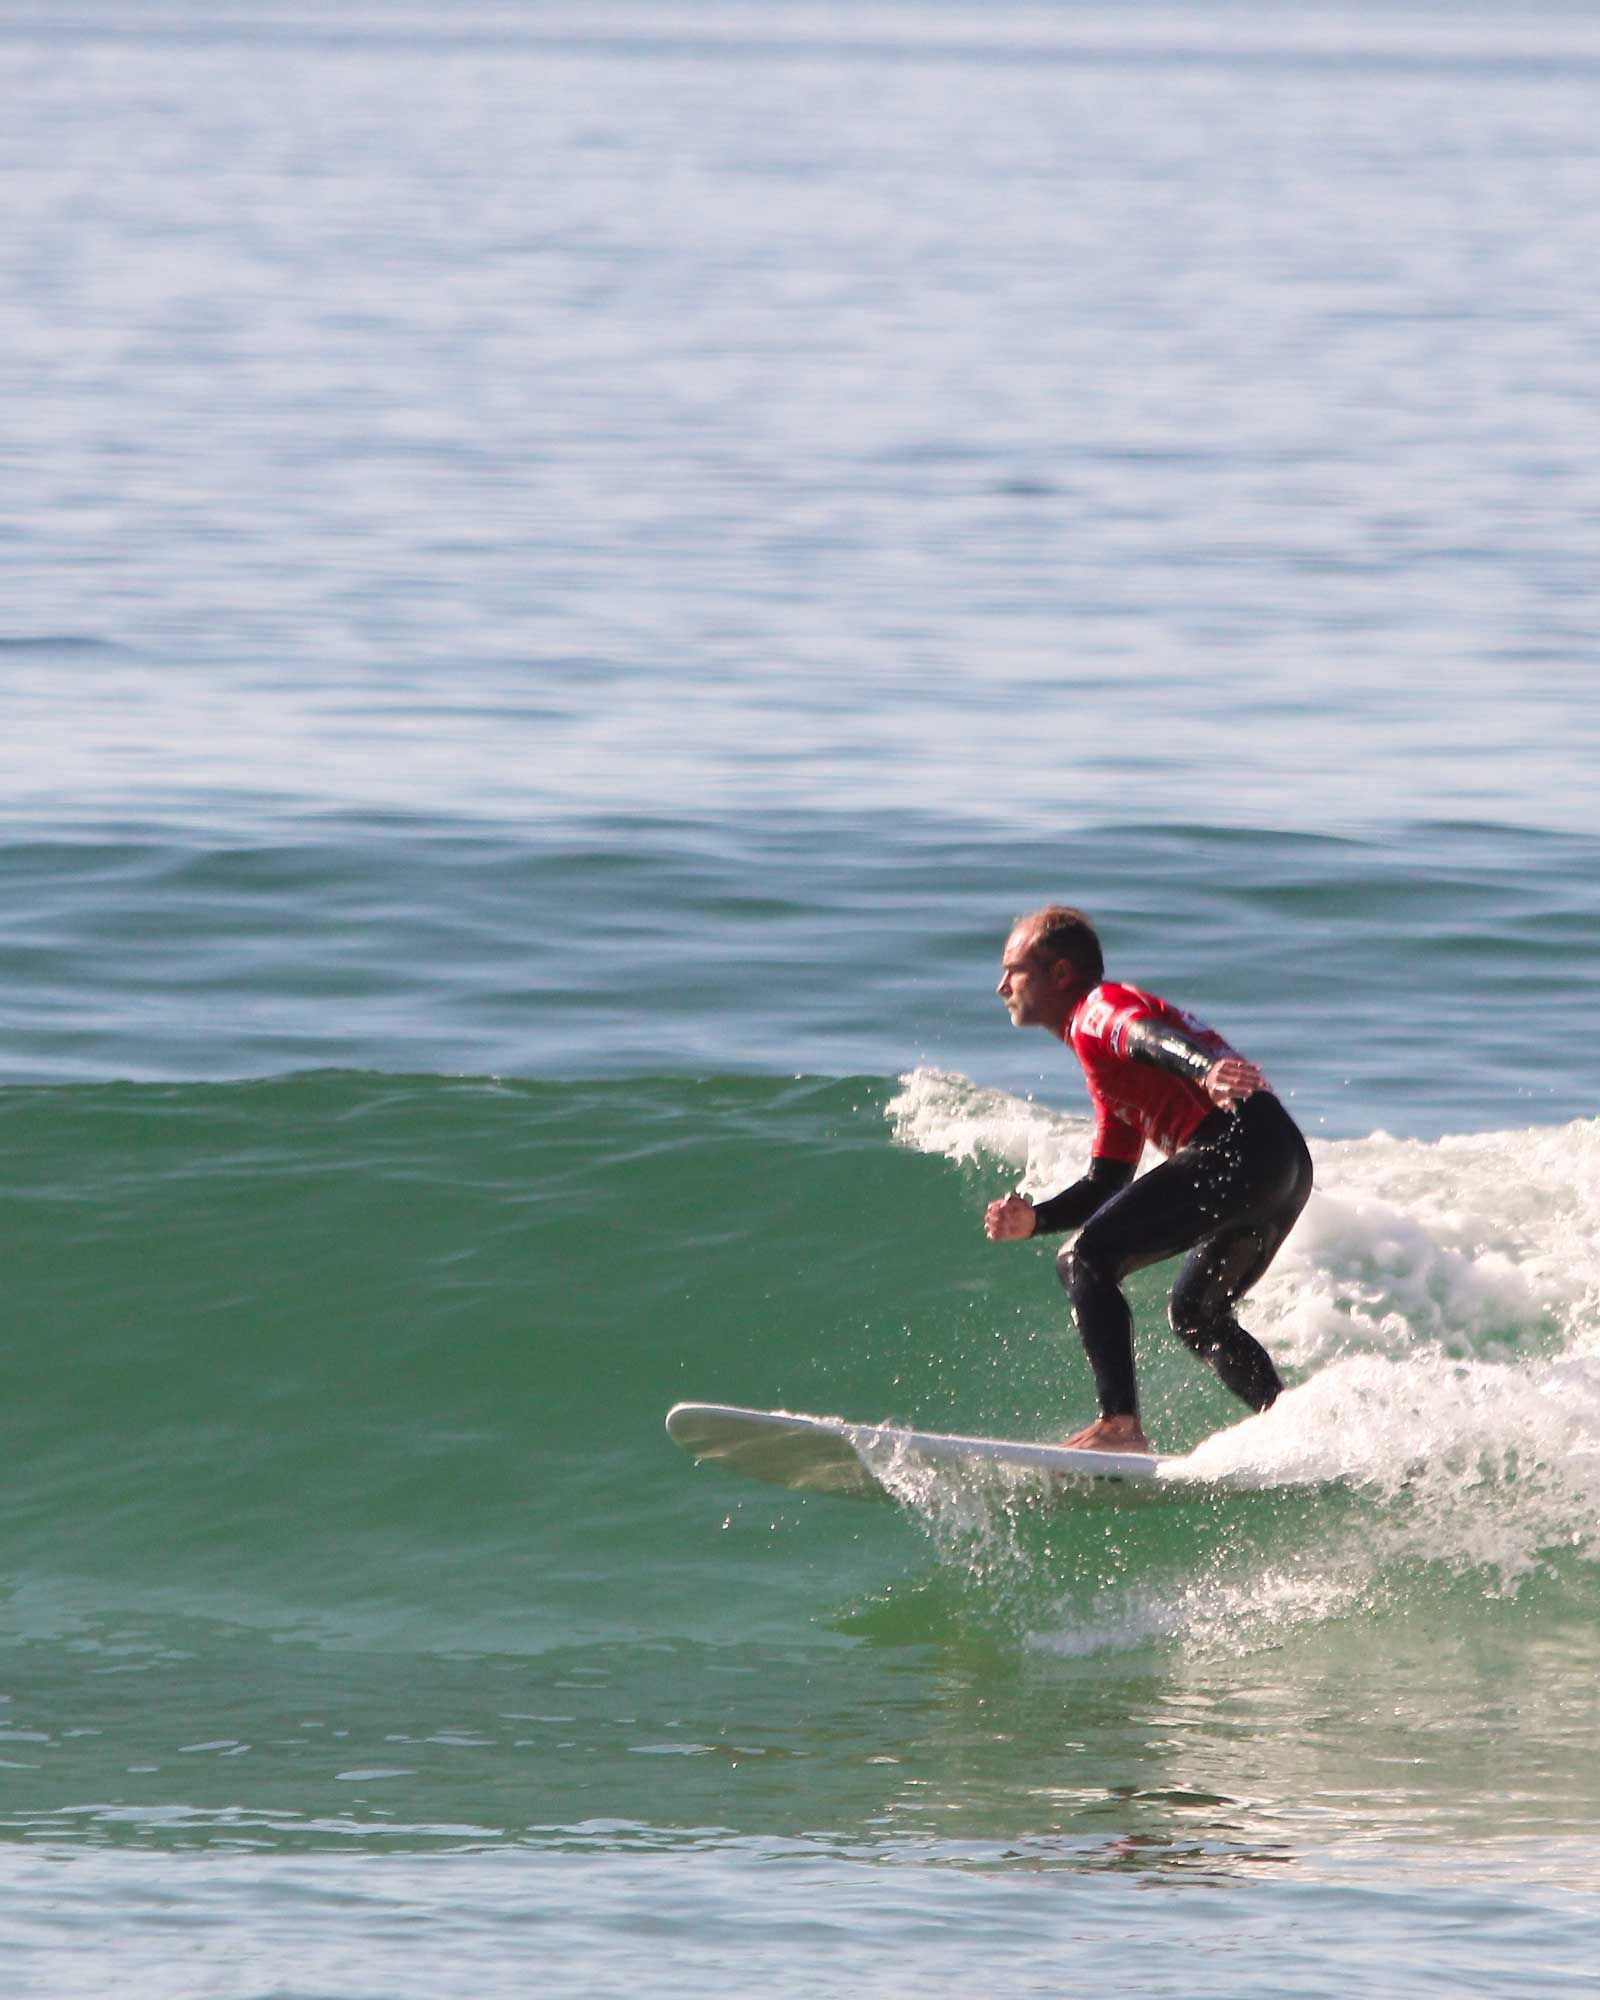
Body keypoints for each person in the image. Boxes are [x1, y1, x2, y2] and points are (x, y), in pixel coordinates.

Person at [985, 905, 1312, 1453]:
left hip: (1237, 1143)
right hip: (1282, 1159)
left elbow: (1144, 1035)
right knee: (1196, 1314)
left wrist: (1201, 1069)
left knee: (1083, 1259)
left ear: (1060, 973)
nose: (1001, 987)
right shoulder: (1107, 1070)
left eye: (1013, 969)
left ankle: (1119, 1425)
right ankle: (1297, 1428)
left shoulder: (1097, 1011)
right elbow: (1107, 1179)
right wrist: (1036, 1219)